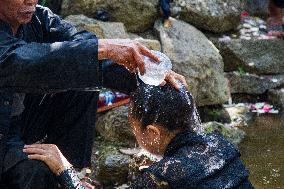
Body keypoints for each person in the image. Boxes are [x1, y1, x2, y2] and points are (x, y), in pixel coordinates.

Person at [0, 0, 188, 188]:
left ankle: (72, 173)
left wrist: (148, 76)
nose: (31, 0)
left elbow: (80, 46)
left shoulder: (40, 19)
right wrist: (102, 48)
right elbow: (19, 60)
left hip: (20, 120)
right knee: (36, 172)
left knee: (83, 78)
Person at [26, 83, 254, 189]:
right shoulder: (220, 143)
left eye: (134, 128)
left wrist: (65, 172)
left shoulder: (164, 175)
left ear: (153, 132)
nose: (135, 135)